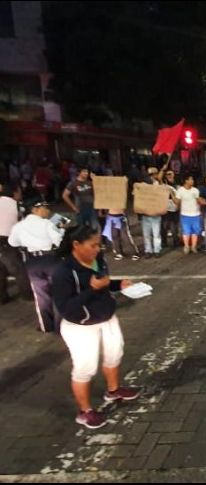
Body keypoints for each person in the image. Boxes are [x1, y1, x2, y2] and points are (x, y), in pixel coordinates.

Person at [52, 225, 140, 429]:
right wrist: (92, 289)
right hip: (80, 327)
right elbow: (66, 308)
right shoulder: (63, 272)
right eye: (93, 245)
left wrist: (119, 285)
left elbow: (104, 283)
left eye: (99, 245)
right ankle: (85, 411)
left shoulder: (97, 260)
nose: (97, 249)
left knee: (114, 355)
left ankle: (113, 390)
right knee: (85, 368)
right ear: (76, 245)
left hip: (107, 318)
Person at [8, 201, 64, 332]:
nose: (47, 211)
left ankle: (46, 325)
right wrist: (60, 227)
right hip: (50, 259)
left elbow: (12, 242)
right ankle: (59, 325)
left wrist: (26, 242)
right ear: (35, 209)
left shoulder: (19, 226)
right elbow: (58, 240)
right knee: (58, 291)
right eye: (45, 208)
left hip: (32, 260)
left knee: (40, 294)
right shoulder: (47, 223)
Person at [0, 184, 32, 304]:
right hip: (6, 241)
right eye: (19, 192)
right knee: (19, 269)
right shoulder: (18, 205)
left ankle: (2, 298)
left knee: (1, 270)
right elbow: (24, 224)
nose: (20, 194)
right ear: (14, 193)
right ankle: (28, 295)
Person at [138, 168, 164, 259]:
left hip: (155, 214)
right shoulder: (142, 185)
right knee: (147, 235)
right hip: (146, 214)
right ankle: (148, 250)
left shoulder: (158, 185)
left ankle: (157, 250)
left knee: (156, 234)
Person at [173, 175, 201, 255]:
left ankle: (193, 246)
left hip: (196, 214)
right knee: (186, 231)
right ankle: (186, 246)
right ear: (186, 181)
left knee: (195, 231)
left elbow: (199, 201)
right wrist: (173, 196)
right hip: (185, 214)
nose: (192, 181)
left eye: (192, 179)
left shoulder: (195, 190)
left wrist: (199, 200)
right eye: (190, 179)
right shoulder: (180, 190)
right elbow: (177, 202)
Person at [160, 168, 180, 249]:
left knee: (174, 226)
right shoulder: (164, 185)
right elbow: (159, 178)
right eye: (168, 174)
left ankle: (176, 242)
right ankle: (164, 242)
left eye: (171, 174)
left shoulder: (177, 184)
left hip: (175, 208)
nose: (170, 176)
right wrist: (163, 169)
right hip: (166, 208)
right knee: (165, 226)